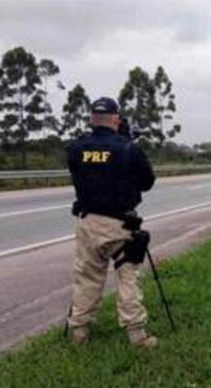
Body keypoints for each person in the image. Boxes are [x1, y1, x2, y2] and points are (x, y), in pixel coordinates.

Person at [65, 96, 158, 349]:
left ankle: (79, 334)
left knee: (87, 277)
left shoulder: (76, 147)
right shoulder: (128, 148)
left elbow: (81, 172)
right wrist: (126, 143)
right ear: (116, 119)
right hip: (120, 225)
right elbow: (148, 181)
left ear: (91, 120)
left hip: (87, 222)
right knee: (128, 277)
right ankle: (137, 335)